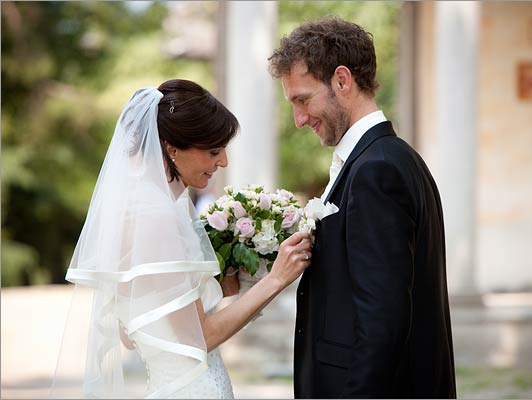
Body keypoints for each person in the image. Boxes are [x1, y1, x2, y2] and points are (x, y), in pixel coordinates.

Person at [53, 79, 312, 399]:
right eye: (214, 151)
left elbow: (131, 334)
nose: (223, 162)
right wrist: (275, 280)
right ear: (173, 149)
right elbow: (199, 339)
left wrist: (225, 287)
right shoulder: (157, 216)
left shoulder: (137, 209)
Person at [268, 17, 456, 398]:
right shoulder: (394, 158)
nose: (299, 119)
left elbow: (382, 320)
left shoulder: (376, 172)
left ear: (342, 80)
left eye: (302, 99)